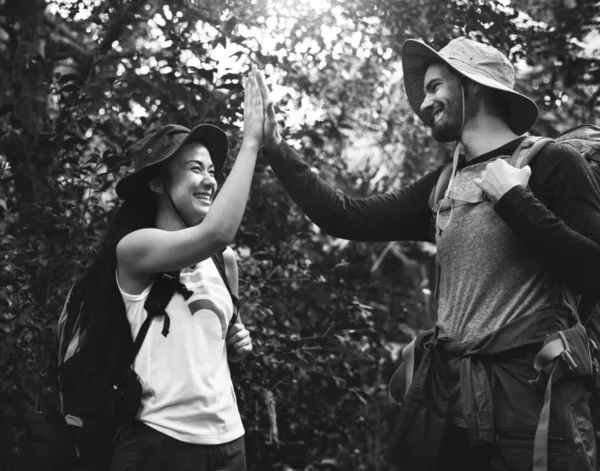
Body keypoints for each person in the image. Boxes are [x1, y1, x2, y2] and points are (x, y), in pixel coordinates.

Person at [253, 38, 600, 470]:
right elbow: (348, 218)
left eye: (436, 86)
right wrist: (276, 148)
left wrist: (514, 199)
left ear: (473, 86)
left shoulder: (554, 164)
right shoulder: (442, 185)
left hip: (527, 406)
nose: (426, 102)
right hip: (451, 404)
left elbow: (592, 271)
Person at [70, 68, 264, 471]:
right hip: (159, 442)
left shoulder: (223, 261)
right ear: (158, 185)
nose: (210, 180)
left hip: (229, 441)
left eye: (212, 170)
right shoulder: (135, 249)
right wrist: (252, 143)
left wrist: (234, 344)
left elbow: (213, 350)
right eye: (196, 169)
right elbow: (217, 233)